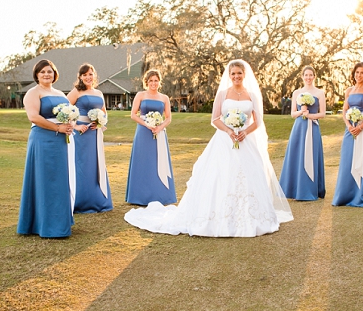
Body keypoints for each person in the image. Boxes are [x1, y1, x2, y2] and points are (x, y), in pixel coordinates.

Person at [124, 59, 293, 237]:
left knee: (248, 175)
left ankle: (251, 216)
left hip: (245, 141)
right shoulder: (222, 94)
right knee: (219, 175)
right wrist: (229, 130)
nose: (236, 76)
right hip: (224, 140)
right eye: (233, 73)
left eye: (239, 73)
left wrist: (244, 132)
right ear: (229, 75)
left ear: (244, 75)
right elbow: (215, 119)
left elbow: (258, 121)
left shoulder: (251, 95)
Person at [17, 59, 75, 238]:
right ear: (36, 75)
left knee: (59, 180)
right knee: (44, 180)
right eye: (42, 72)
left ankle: (60, 221)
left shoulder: (60, 93)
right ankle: (43, 224)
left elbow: (70, 112)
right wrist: (57, 128)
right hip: (42, 140)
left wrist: (70, 123)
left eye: (49, 71)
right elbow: (33, 117)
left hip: (60, 141)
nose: (46, 74)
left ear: (54, 73)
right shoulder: (32, 93)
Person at [125, 69, 177, 206]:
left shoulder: (164, 98)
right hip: (143, 132)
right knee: (143, 161)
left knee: (157, 160)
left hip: (159, 132)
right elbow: (133, 115)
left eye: (156, 80)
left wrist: (160, 127)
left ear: (159, 82)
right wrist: (147, 124)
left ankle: (161, 194)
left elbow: (168, 118)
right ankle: (139, 196)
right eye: (151, 81)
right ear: (146, 82)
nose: (153, 83)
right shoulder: (141, 95)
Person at [66, 63, 113, 214]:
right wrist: (75, 126)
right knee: (81, 165)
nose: (88, 77)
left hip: (94, 134)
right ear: (80, 77)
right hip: (81, 134)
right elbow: (65, 111)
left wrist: (99, 121)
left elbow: (104, 112)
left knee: (95, 164)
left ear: (94, 75)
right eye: (84, 75)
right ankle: (80, 201)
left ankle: (98, 199)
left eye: (90, 74)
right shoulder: (76, 92)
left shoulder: (99, 93)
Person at [332, 61, 363, 207]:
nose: (359, 75)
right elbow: (345, 110)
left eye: (362, 73)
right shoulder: (349, 90)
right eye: (357, 72)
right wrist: (349, 125)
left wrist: (362, 126)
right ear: (353, 74)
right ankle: (345, 196)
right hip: (350, 129)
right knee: (348, 159)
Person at [279, 65, 326, 201]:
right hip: (299, 128)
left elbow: (322, 114)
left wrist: (310, 116)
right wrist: (302, 111)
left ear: (314, 76)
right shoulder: (296, 92)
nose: (308, 78)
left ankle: (310, 189)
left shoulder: (320, 93)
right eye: (306, 75)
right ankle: (293, 189)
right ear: (302, 76)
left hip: (313, 127)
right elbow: (293, 114)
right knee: (297, 155)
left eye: (311, 75)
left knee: (311, 155)